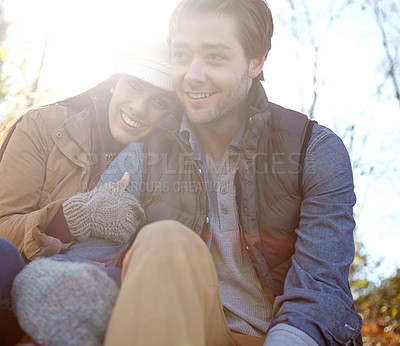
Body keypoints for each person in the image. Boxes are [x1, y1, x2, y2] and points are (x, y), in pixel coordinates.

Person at [99, 0, 363, 345]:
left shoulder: (313, 149)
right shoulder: (147, 150)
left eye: (215, 57)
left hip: (286, 335)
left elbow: (321, 285)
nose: (192, 76)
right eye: (181, 55)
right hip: (185, 331)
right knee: (165, 240)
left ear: (256, 62)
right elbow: (96, 253)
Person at [0, 38, 178, 345]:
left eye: (160, 101)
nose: (139, 107)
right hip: (18, 280)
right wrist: (76, 217)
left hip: (90, 297)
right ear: (113, 83)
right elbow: (4, 229)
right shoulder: (42, 126)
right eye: (134, 86)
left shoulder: (161, 163)